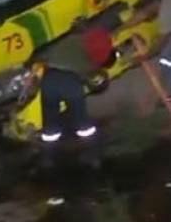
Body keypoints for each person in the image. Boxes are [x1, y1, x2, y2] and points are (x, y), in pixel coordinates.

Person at [32, 24, 115, 167]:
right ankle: (92, 155)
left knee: (49, 122)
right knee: (82, 122)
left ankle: (48, 158)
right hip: (69, 82)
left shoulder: (71, 40)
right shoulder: (95, 51)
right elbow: (94, 79)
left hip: (48, 79)